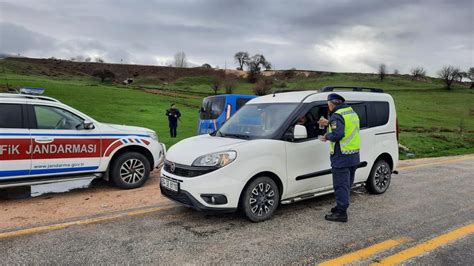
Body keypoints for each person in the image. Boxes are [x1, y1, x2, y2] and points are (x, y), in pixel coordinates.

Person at [318, 93, 360, 222]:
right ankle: (341, 206)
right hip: (353, 155)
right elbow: (346, 128)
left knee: (340, 185)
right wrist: (329, 122)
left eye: (328, 104)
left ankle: (341, 213)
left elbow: (337, 134)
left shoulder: (337, 115)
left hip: (341, 156)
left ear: (331, 103)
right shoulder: (350, 112)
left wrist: (326, 136)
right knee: (347, 184)